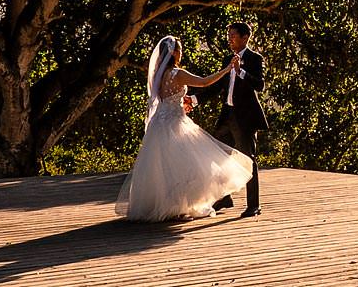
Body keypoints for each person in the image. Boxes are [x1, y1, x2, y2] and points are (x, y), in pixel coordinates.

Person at [115, 35, 256, 222]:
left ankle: (165, 206)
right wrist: (227, 69)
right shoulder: (177, 73)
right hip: (175, 122)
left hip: (160, 123)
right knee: (186, 167)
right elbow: (205, 82)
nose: (181, 53)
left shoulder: (159, 74)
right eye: (179, 50)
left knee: (164, 167)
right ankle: (179, 207)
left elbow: (165, 98)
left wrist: (182, 103)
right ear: (173, 52)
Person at [205, 21, 268, 217]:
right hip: (227, 116)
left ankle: (253, 205)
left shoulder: (254, 59)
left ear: (244, 38)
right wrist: (195, 100)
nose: (229, 39)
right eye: (229, 35)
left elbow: (260, 85)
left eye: (233, 36)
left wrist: (240, 71)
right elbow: (217, 86)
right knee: (217, 155)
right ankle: (224, 198)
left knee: (248, 160)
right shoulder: (227, 59)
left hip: (245, 119)